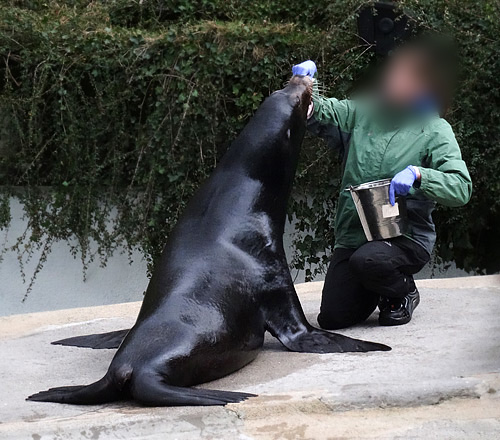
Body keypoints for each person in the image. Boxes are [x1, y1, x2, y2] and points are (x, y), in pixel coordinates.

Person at [292, 39, 472, 328]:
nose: (391, 79)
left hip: (406, 239)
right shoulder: (365, 111)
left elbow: (460, 187)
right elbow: (323, 111)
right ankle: (375, 286)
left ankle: (402, 291)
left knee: (370, 261)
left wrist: (419, 176)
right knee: (333, 318)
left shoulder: (435, 129)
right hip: (354, 236)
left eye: (402, 75)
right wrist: (303, 87)